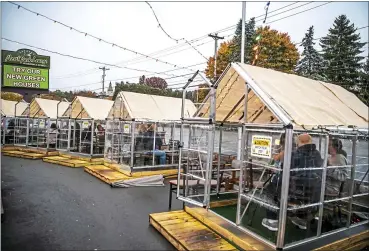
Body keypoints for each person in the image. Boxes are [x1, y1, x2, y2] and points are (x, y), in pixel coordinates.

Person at [262, 133, 323, 231]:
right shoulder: (317, 155)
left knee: (270, 189)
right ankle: (301, 219)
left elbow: (283, 174)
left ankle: (273, 221)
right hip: (311, 196)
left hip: (293, 195)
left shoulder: (293, 155)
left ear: (299, 142)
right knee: (300, 190)